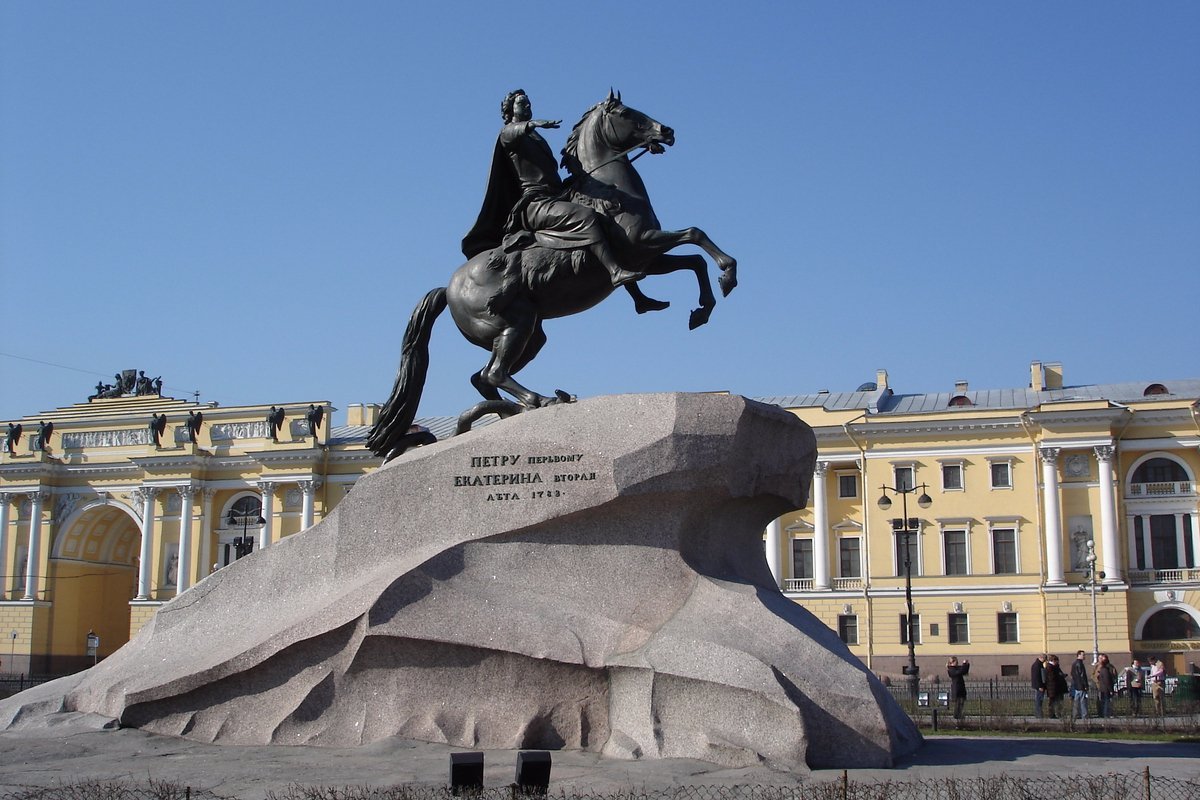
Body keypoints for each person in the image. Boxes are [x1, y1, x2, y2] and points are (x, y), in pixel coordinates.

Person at [462, 89, 643, 289]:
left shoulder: (536, 138)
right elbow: (509, 133)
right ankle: (615, 272)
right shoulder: (511, 134)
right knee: (585, 216)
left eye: (529, 103)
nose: (528, 107)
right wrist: (532, 124)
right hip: (534, 204)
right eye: (522, 103)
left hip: (554, 196)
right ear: (510, 110)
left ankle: (637, 296)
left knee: (607, 217)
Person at [946, 656, 970, 722]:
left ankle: (959, 714)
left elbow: (964, 671)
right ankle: (956, 715)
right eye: (954, 661)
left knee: (961, 702)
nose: (956, 663)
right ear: (951, 663)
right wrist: (964, 665)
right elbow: (959, 672)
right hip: (956, 688)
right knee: (958, 703)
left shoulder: (956, 668)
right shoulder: (951, 669)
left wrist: (966, 665)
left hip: (961, 687)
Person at [1094, 653, 1117, 718]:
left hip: (1104, 686)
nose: (1100, 660)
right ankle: (1104, 713)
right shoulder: (1099, 667)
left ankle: (1107, 713)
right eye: (1100, 658)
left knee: (1106, 700)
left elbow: (1114, 675)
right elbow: (1094, 675)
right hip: (1103, 686)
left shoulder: (1110, 667)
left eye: (1102, 658)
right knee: (1104, 701)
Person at [1045, 654, 1067, 719]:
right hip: (1053, 688)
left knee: (1059, 701)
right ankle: (1052, 714)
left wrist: (1062, 675)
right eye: (1056, 661)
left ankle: (1058, 713)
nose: (1057, 662)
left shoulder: (1056, 667)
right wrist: (1060, 676)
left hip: (1058, 688)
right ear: (1053, 661)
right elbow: (1051, 678)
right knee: (1053, 702)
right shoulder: (1050, 667)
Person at [1070, 650, 1090, 720]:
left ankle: (1075, 715)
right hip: (1081, 686)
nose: (1084, 656)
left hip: (1076, 685)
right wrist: (1085, 685)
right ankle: (1084, 715)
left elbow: (1072, 674)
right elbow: (1082, 676)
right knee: (1083, 701)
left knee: (1076, 701)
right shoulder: (1080, 664)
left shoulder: (1074, 664)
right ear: (1079, 655)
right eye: (1083, 655)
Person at [1030, 654, 1047, 718]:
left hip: (1039, 685)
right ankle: (1038, 714)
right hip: (1039, 686)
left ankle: (1038, 714)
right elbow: (1037, 677)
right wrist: (1040, 686)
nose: (1045, 661)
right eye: (1045, 659)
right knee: (1039, 700)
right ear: (1042, 658)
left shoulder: (1038, 664)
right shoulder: (1037, 665)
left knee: (1039, 700)